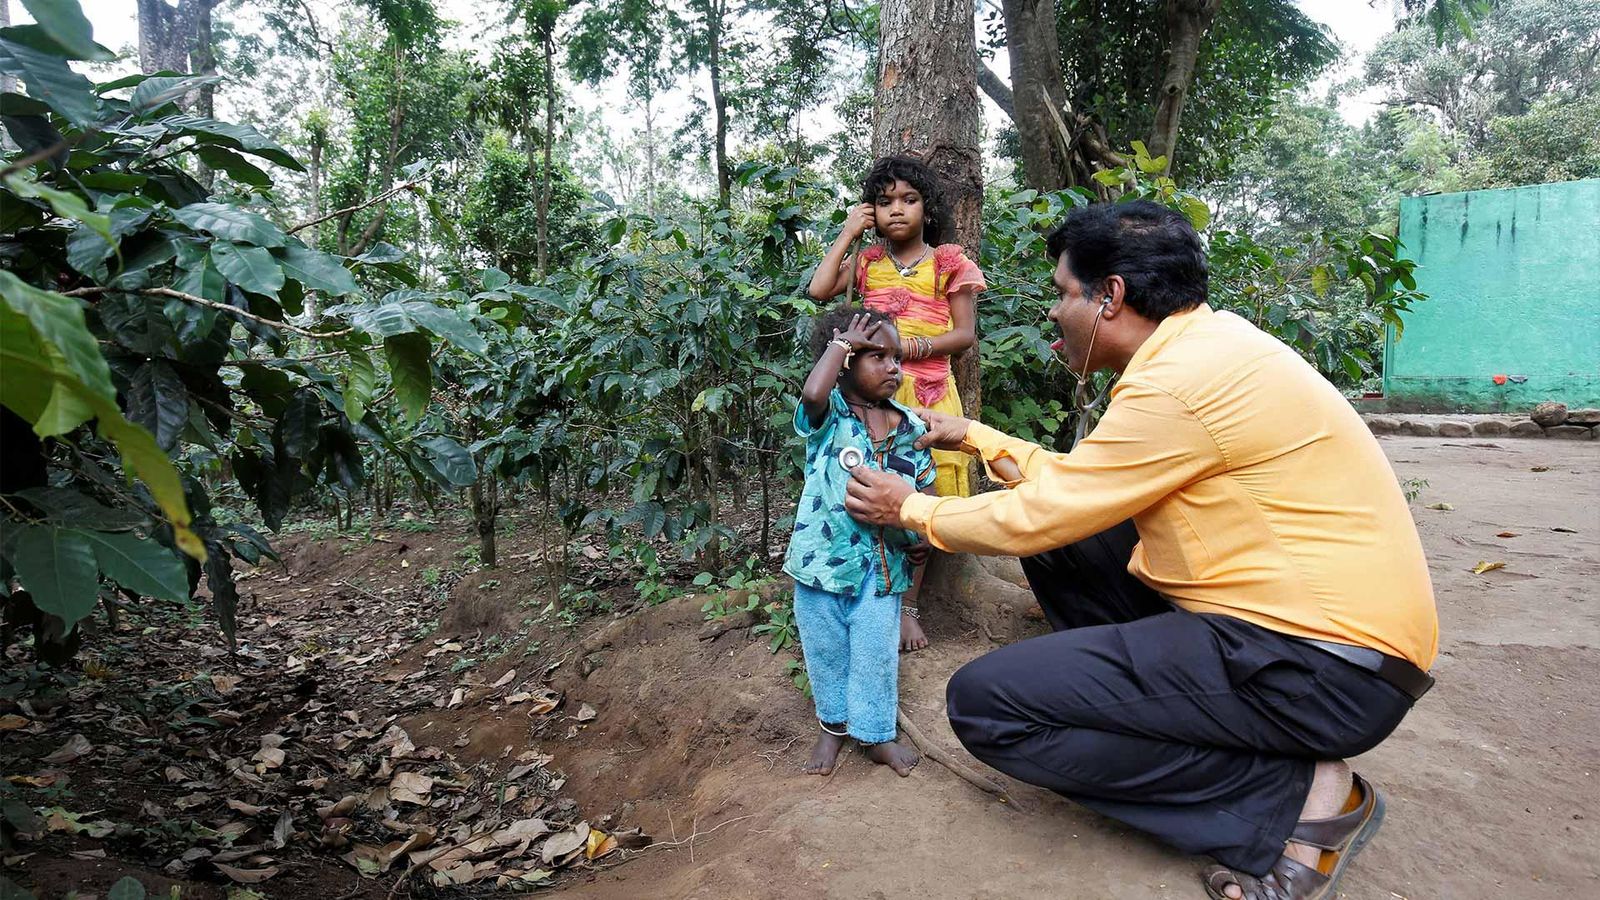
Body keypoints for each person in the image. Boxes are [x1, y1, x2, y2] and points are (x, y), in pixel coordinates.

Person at [842, 201, 1439, 900]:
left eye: (1064, 294)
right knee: (1075, 548)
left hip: (1318, 668)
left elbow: (1045, 511)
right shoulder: (1208, 349)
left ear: (1111, 297)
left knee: (986, 704)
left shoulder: (1173, 386)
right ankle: (1177, 718)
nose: (1055, 314)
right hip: (1337, 648)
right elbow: (1083, 492)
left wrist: (909, 508)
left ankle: (1298, 799)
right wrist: (975, 436)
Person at [807, 155, 987, 652]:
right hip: (866, 400)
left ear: (928, 208)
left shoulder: (949, 261)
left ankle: (909, 605)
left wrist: (911, 350)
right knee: (864, 493)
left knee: (919, 499)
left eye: (909, 199)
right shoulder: (867, 262)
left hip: (926, 397)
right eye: (884, 202)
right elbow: (821, 290)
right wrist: (848, 231)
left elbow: (965, 334)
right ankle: (863, 591)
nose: (897, 211)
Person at [784, 305, 937, 777]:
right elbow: (812, 391)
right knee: (825, 650)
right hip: (819, 564)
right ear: (846, 363)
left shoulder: (910, 425)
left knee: (874, 653)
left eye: (897, 358)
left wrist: (925, 531)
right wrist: (840, 344)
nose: (893, 367)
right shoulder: (829, 415)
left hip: (882, 565)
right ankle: (832, 727)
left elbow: (926, 484)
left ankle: (876, 735)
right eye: (878, 356)